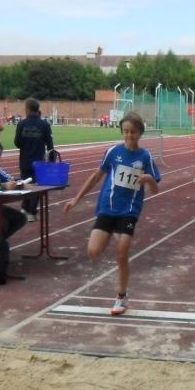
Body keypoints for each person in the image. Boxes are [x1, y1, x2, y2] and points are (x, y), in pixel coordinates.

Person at [64, 112, 160, 315]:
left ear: (140, 133)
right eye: (126, 131)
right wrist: (76, 199)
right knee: (93, 251)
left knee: (122, 254)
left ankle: (121, 297)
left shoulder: (145, 157)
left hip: (129, 211)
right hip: (107, 207)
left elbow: (155, 190)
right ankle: (110, 233)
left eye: (133, 132)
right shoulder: (113, 152)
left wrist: (148, 179)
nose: (129, 135)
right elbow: (96, 176)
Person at [14, 98, 55, 221]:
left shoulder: (21, 124)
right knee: (37, 186)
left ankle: (25, 208)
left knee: (25, 184)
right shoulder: (45, 125)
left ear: (27, 109)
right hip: (39, 161)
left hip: (24, 160)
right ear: (38, 109)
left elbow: (17, 143)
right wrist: (52, 162)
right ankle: (31, 212)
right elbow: (50, 145)